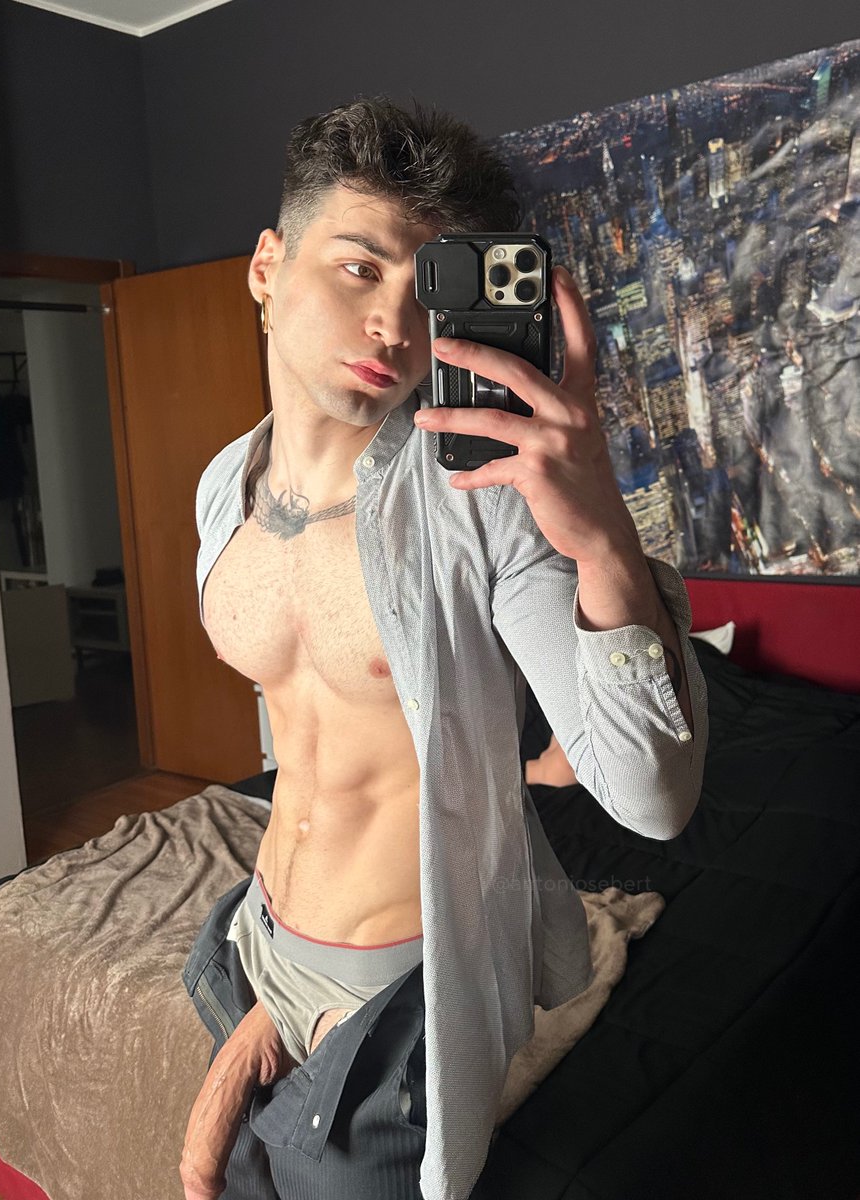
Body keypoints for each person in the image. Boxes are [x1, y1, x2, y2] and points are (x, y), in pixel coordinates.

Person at [180, 94, 709, 1200]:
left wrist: (599, 529)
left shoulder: (486, 500)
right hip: (251, 952)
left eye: (428, 293)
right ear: (268, 267)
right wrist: (267, 994)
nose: (394, 326)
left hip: (395, 996)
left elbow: (651, 800)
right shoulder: (225, 486)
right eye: (359, 268)